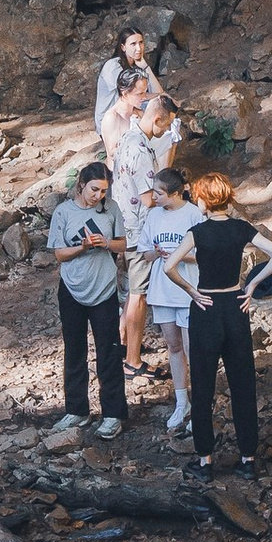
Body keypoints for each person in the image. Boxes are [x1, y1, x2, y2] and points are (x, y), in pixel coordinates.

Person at [173, 171, 272, 472]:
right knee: (243, 384)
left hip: (206, 306)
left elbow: (170, 266)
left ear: (204, 201)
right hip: (235, 306)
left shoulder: (197, 232)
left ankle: (205, 459)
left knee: (203, 384)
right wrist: (250, 286)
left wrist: (191, 291)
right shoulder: (240, 228)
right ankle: (248, 458)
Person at [106, 62, 178, 382]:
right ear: (158, 119)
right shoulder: (139, 148)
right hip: (137, 232)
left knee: (134, 294)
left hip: (128, 226)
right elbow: (150, 198)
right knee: (138, 295)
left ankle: (127, 350)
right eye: (167, 124)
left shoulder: (133, 138)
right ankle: (133, 361)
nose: (166, 131)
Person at [45, 162, 127, 444]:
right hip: (71, 288)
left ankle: (113, 413)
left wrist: (106, 243)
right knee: (75, 347)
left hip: (103, 288)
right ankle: (77, 409)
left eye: (103, 191)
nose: (98, 196)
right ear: (81, 184)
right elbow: (58, 254)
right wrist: (82, 246)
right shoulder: (64, 212)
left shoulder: (111, 208)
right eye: (94, 189)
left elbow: (123, 244)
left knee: (109, 349)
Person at [131, 160, 206, 437]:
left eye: (159, 193)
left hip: (188, 289)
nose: (155, 197)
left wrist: (179, 255)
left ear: (176, 193)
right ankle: (181, 401)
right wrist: (158, 252)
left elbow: (204, 253)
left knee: (191, 348)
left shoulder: (194, 214)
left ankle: (199, 403)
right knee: (173, 347)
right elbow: (145, 252)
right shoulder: (153, 216)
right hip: (162, 289)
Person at [95, 27, 152, 140]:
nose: (138, 48)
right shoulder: (113, 66)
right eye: (133, 44)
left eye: (141, 43)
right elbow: (131, 96)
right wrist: (160, 96)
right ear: (123, 47)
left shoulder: (137, 67)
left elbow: (155, 91)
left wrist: (145, 66)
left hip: (128, 114)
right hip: (112, 122)